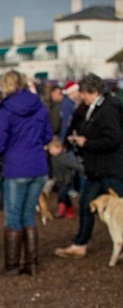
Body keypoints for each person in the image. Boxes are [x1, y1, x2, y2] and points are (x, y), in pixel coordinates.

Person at [0, 70, 53, 276]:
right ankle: (31, 264)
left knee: (13, 217)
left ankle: (12, 265)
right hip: (38, 166)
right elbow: (47, 135)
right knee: (29, 215)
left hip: (16, 167)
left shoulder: (7, 110)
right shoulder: (39, 106)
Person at [54, 73, 123, 260]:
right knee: (86, 205)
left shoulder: (108, 109)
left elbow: (113, 139)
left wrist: (86, 143)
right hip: (97, 169)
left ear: (93, 91)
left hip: (110, 168)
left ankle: (81, 244)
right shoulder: (95, 108)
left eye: (83, 92)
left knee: (117, 208)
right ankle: (80, 244)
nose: (81, 96)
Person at [44, 137, 82, 219]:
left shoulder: (64, 158)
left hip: (67, 180)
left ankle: (61, 211)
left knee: (61, 195)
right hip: (59, 180)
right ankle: (70, 210)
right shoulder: (53, 158)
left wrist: (84, 170)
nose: (50, 151)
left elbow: (75, 165)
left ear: (58, 148)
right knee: (65, 196)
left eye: (51, 149)